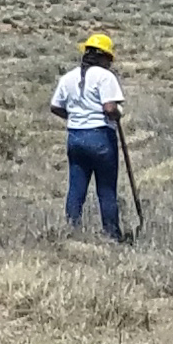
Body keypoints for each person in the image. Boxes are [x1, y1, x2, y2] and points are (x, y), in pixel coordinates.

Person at [52, 32, 128, 241]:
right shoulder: (105, 77)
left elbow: (55, 106)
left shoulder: (68, 77)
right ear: (104, 57)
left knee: (76, 188)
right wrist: (117, 113)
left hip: (75, 136)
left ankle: (70, 231)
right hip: (101, 136)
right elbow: (110, 107)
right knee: (106, 190)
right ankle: (112, 236)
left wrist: (75, 117)